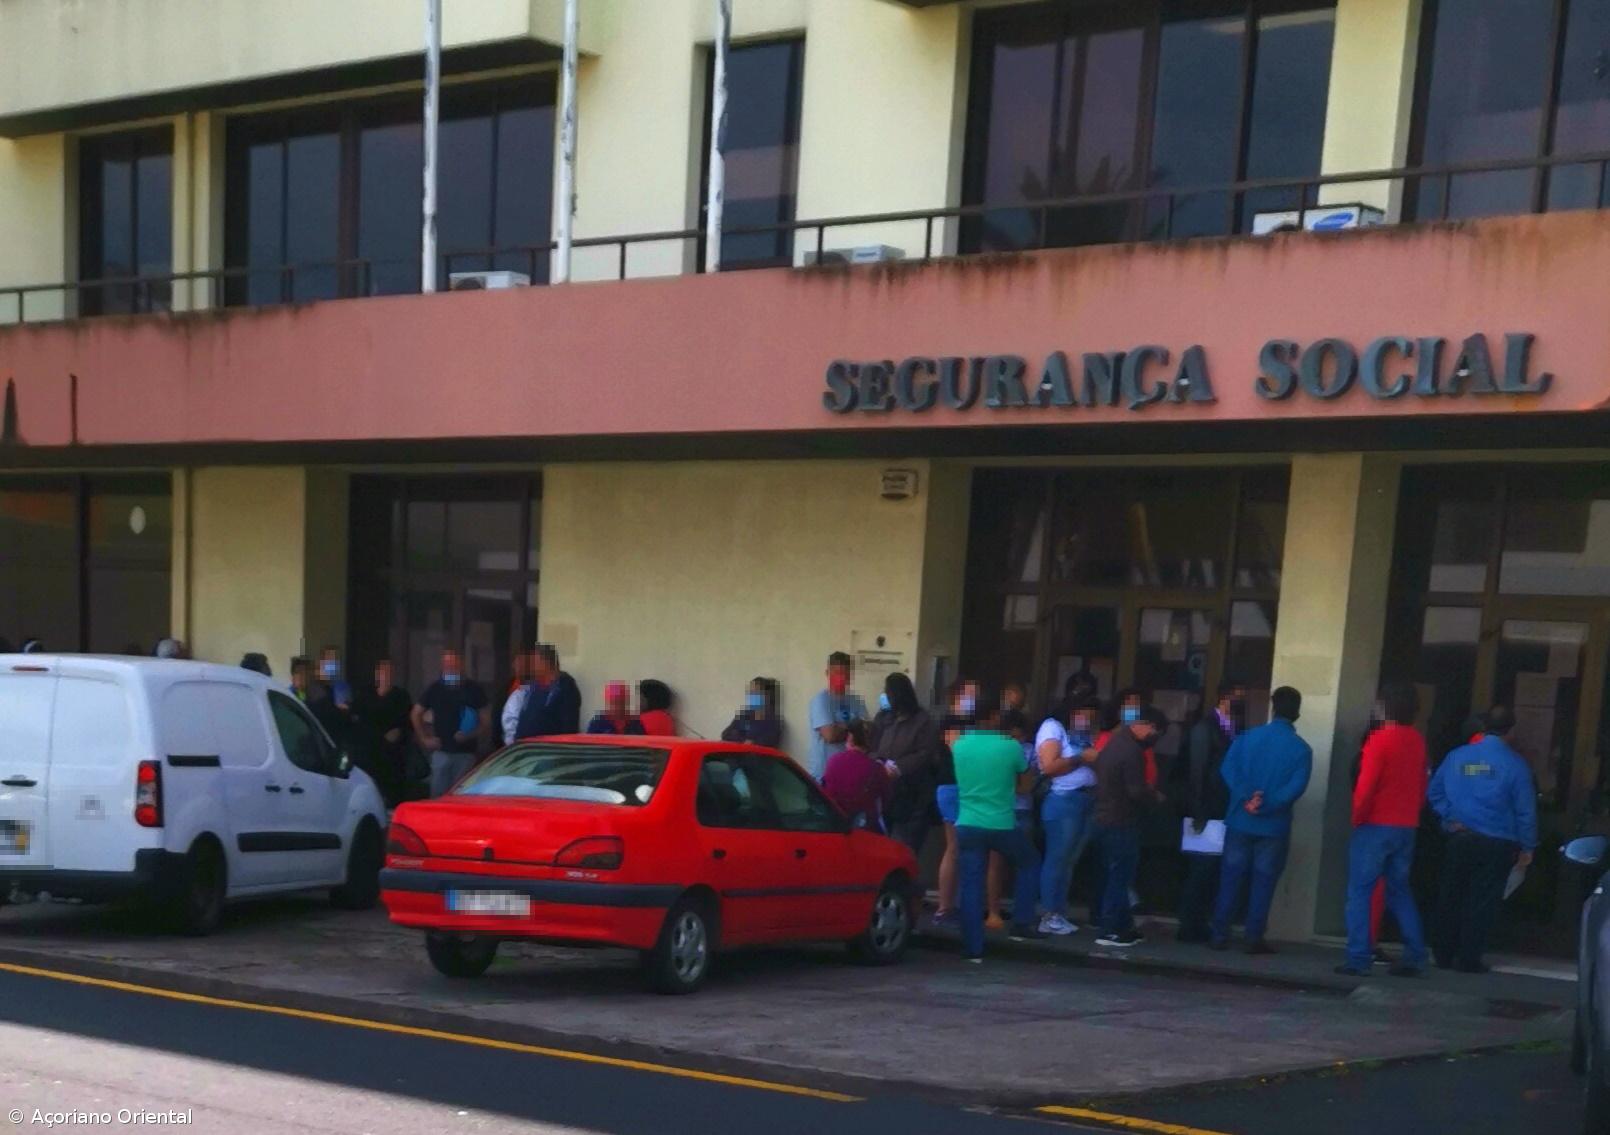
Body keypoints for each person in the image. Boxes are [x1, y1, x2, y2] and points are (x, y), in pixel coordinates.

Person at [1428, 705, 1538, 974]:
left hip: (1460, 837)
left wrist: (1449, 818)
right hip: (1496, 843)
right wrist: (1528, 846)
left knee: (1451, 896)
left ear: (1484, 726)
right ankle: (1469, 958)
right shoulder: (1516, 765)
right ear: (1511, 731)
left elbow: (1434, 792)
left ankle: (1442, 955)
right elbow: (1525, 810)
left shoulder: (1457, 756)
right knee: (1482, 902)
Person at [1335, 683, 1429, 977]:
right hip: (1406, 825)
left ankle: (1358, 957)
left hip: (1375, 824)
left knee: (1360, 892)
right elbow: (1422, 784)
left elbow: (1366, 786)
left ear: (1386, 707)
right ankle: (1415, 954)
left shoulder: (1378, 740)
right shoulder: (1417, 741)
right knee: (1399, 890)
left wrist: (1357, 816)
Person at [1210, 686, 1313, 955]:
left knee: (1230, 878)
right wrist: (1267, 804)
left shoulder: (1246, 737)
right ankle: (1253, 937)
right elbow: (1296, 787)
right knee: (1263, 882)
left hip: (1240, 819)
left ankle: (1220, 933)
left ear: (1273, 708)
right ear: (1297, 713)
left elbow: (1227, 769)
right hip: (1273, 825)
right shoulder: (1301, 750)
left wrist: (1247, 797)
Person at [953, 691, 1046, 961]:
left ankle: (972, 948)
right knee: (1030, 862)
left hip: (968, 821)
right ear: (994, 716)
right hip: (1001, 821)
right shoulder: (1010, 747)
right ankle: (1022, 922)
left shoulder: (960, 744)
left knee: (971, 884)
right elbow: (1024, 786)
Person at [1092, 704, 1169, 947]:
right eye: (1155, 731)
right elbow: (1135, 790)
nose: (1154, 738)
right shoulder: (1132, 751)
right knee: (1120, 877)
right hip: (1122, 820)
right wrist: (1154, 796)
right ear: (1146, 726)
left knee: (1115, 874)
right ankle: (1110, 929)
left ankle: (1122, 925)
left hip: (1105, 816)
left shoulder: (1113, 744)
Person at [1177, 689, 1241, 943]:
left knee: (1210, 870)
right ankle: (1190, 924)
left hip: (1220, 808)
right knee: (1201, 869)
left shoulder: (1232, 727)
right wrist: (1199, 810)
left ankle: (1198, 921)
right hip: (1206, 810)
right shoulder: (1205, 728)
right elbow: (1197, 770)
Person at [1036, 696, 1101, 937]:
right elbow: (1049, 766)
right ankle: (1048, 913)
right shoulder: (1053, 727)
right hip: (1064, 799)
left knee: (1070, 860)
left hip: (1087, 799)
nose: (1087, 719)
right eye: (1083, 713)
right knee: (1057, 858)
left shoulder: (1084, 734)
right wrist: (1081, 758)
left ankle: (1059, 912)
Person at [871, 672, 945, 860]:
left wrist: (899, 768)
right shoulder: (883, 718)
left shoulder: (923, 721)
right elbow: (871, 746)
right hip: (885, 794)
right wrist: (879, 763)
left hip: (914, 796)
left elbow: (926, 753)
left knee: (904, 851)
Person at [412, 648, 489, 798]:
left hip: (466, 754)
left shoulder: (474, 690)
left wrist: (469, 735)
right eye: (447, 664)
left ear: (461, 665)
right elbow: (415, 713)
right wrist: (424, 738)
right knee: (438, 798)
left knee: (462, 798)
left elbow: (486, 722)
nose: (450, 667)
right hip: (441, 752)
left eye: (453, 664)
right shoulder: (435, 688)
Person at [987, 707, 1038, 930]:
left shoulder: (996, 750)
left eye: (1020, 737)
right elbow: (1026, 786)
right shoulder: (1024, 752)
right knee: (1023, 863)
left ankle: (995, 912)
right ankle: (1018, 917)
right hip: (1011, 810)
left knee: (997, 864)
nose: (1017, 741)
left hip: (1005, 810)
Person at [355, 659, 414, 808]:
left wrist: (399, 731)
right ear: (377, 674)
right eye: (383, 672)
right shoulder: (365, 694)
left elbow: (409, 723)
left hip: (393, 756)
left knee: (393, 794)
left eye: (389, 672)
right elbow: (357, 718)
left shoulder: (401, 696)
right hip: (370, 753)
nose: (386, 675)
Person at [808, 652, 869, 779]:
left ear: (850, 676)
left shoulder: (856, 701)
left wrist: (839, 727)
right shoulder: (821, 700)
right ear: (827, 673)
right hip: (825, 775)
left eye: (845, 673)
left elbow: (866, 734)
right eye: (836, 672)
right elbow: (830, 736)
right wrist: (853, 728)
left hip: (850, 774)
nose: (841, 677)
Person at [822, 721, 891, 830]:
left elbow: (827, 793)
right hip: (866, 828)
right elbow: (886, 802)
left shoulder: (833, 761)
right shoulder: (877, 769)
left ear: (850, 738)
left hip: (836, 825)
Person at [506, 643, 582, 741]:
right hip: (525, 749)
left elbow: (569, 726)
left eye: (534, 662)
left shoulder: (565, 687)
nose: (531, 666)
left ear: (545, 663)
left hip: (547, 751)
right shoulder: (533, 686)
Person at [721, 676, 782, 748]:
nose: (751, 695)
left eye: (755, 692)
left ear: (766, 695)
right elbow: (725, 734)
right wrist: (743, 740)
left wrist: (741, 737)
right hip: (734, 755)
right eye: (751, 692)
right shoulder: (744, 715)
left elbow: (765, 742)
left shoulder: (773, 720)